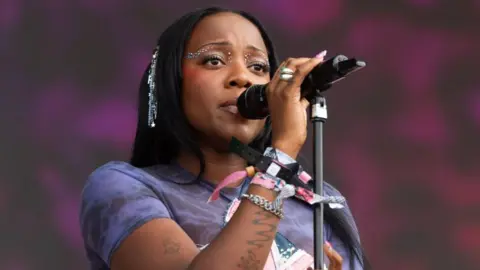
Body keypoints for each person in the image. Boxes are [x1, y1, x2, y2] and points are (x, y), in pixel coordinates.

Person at [79, 7, 370, 270]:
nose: (242, 78)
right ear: (171, 80)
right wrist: (280, 158)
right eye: (214, 60)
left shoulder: (316, 200)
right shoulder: (120, 189)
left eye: (258, 67)